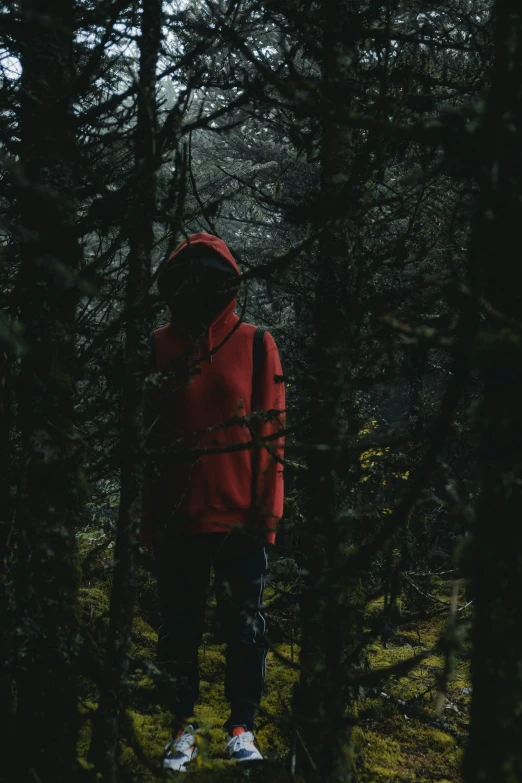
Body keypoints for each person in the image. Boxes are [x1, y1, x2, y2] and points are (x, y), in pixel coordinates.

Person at [140, 232, 286, 772]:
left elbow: (272, 434)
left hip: (241, 520)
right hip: (178, 520)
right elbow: (149, 443)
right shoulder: (157, 347)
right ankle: (183, 731)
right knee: (179, 630)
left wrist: (266, 518)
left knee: (244, 629)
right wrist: (148, 519)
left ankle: (241, 728)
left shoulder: (254, 343)